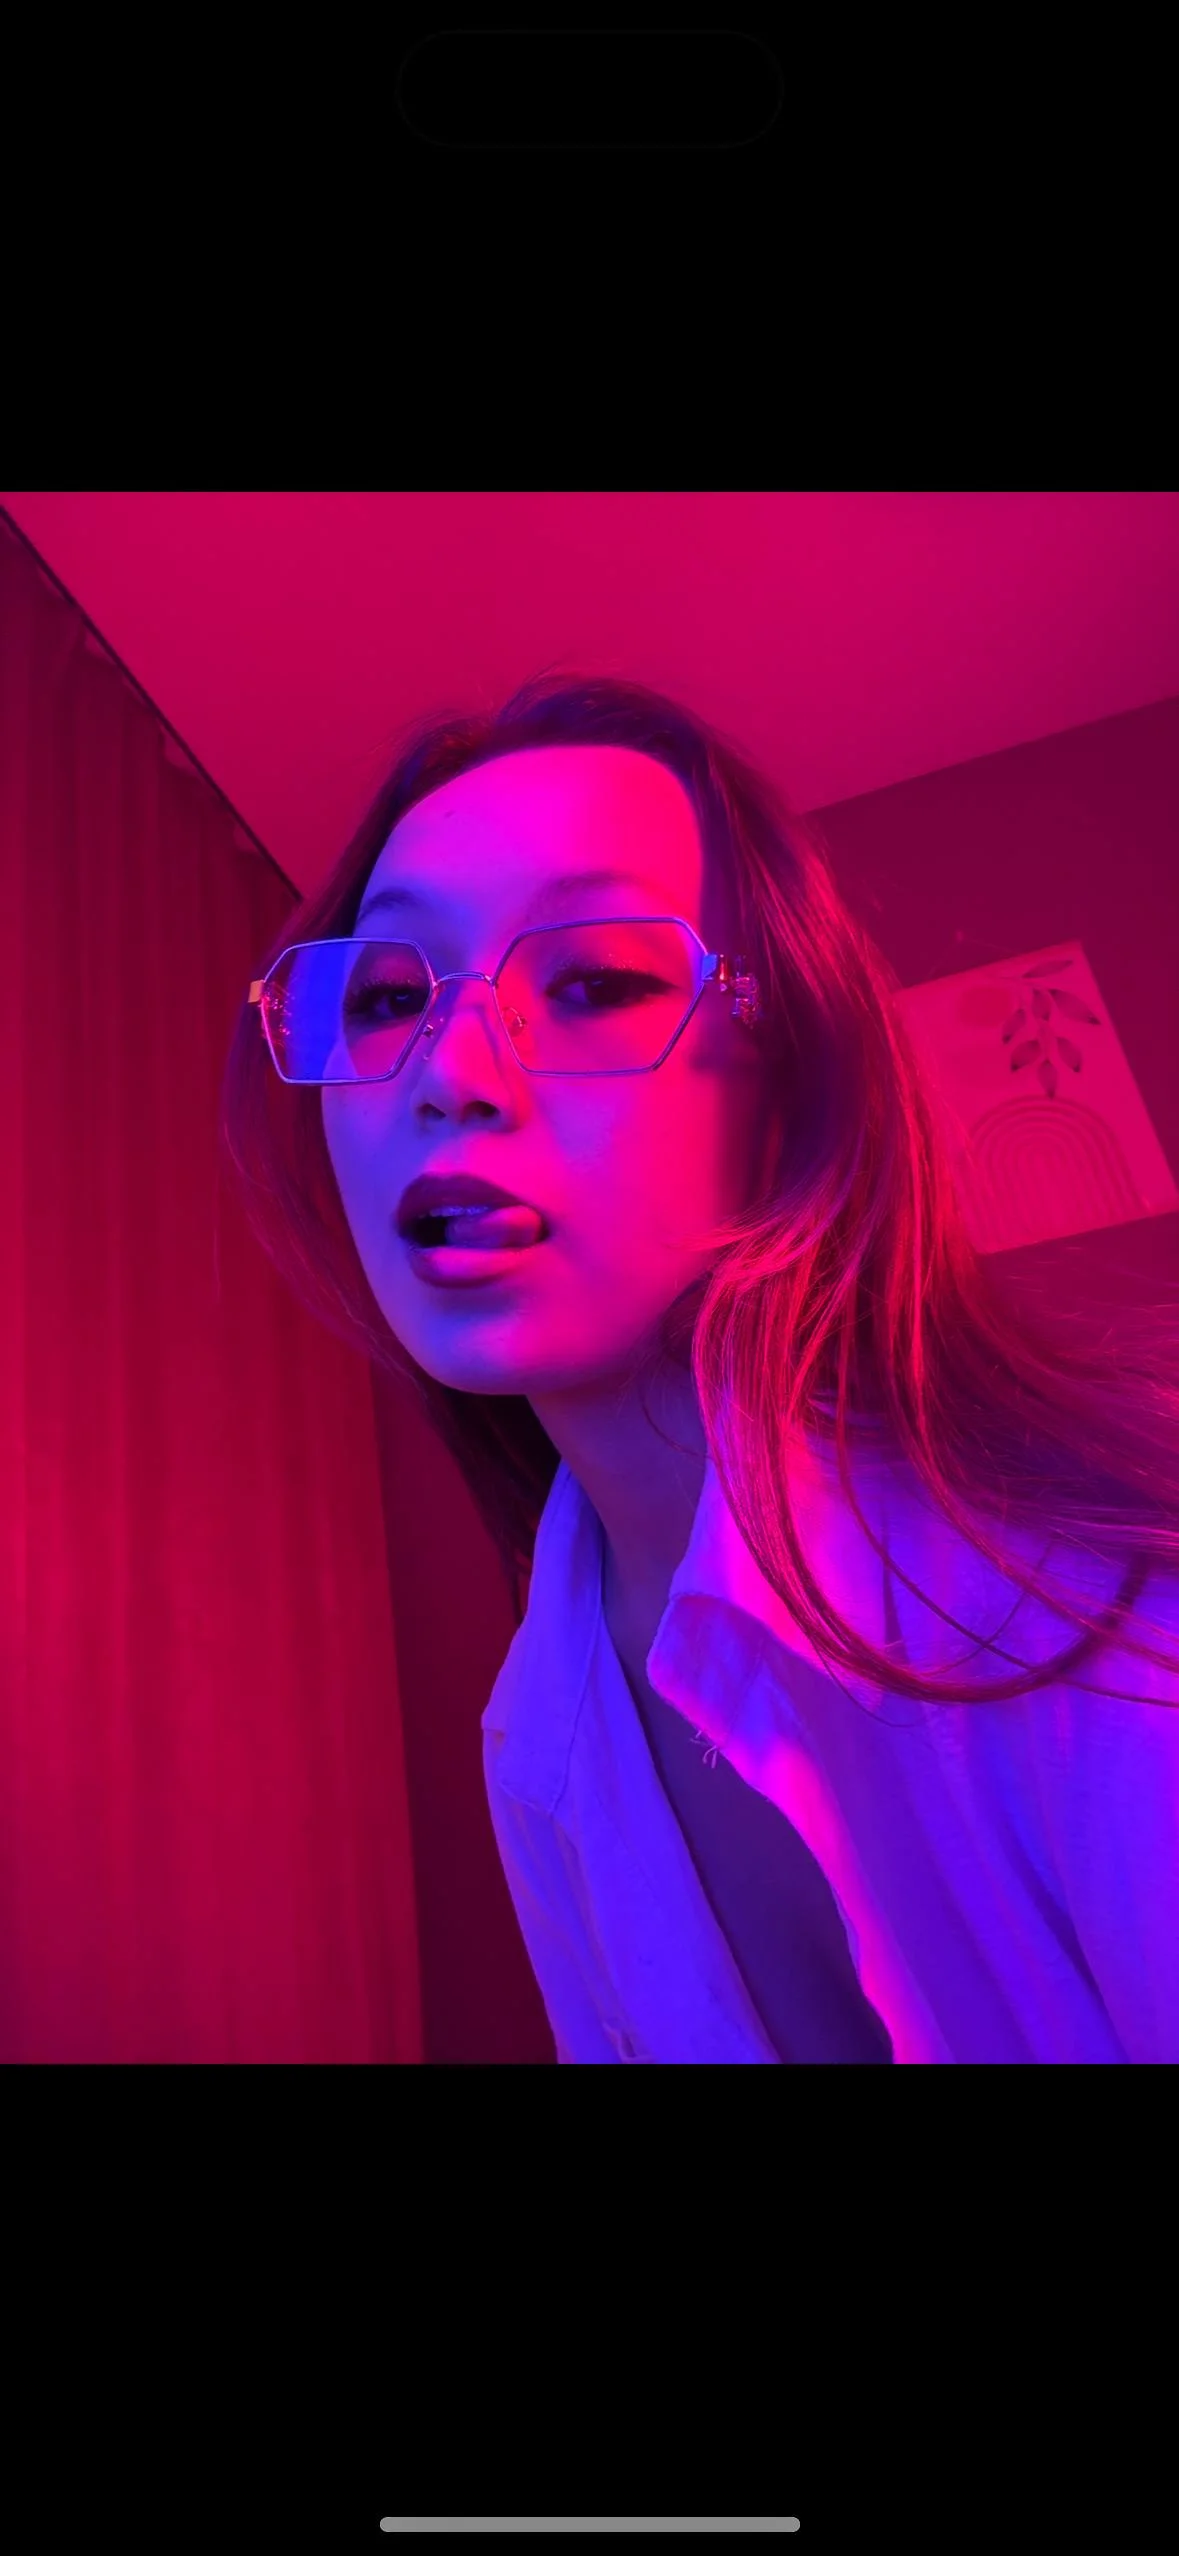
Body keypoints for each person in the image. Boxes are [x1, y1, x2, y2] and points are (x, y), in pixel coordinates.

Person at [223, 669, 1179, 2063]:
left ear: (784, 1087)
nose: (449, 1073)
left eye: (596, 982)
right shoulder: (538, 1732)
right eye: (383, 997)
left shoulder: (1107, 1601)